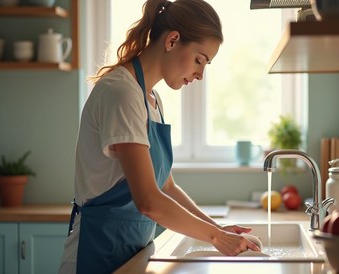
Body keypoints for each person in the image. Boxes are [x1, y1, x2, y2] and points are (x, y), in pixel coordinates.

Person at [58, 0, 261, 273]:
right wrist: (217, 237)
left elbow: (167, 187)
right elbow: (149, 200)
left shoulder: (151, 99)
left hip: (130, 254)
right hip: (96, 254)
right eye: (199, 60)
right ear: (173, 40)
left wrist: (216, 228)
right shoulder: (122, 93)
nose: (201, 74)